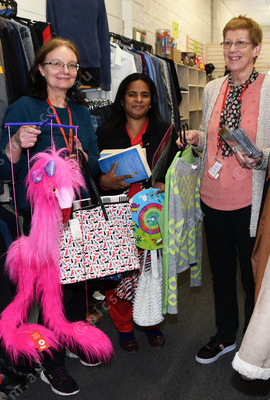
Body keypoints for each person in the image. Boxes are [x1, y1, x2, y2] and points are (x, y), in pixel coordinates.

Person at [177, 16, 270, 364]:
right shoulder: (213, 88)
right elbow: (209, 139)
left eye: (241, 43)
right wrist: (196, 139)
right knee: (222, 275)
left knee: (254, 277)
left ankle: (256, 342)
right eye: (227, 42)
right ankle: (225, 335)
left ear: (256, 49)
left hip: (250, 202)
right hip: (212, 198)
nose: (233, 49)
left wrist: (262, 157)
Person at [0, 37, 101, 396]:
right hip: (42, 218)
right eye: (56, 63)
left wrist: (83, 156)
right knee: (49, 291)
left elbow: (94, 166)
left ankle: (69, 340)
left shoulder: (80, 113)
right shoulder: (24, 107)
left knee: (75, 284)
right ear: (41, 69)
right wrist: (15, 143)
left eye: (71, 65)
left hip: (77, 212)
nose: (64, 71)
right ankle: (50, 362)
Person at [96, 73, 176, 352]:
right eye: (132, 94)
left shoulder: (166, 132)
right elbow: (93, 174)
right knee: (119, 274)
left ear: (152, 100)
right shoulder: (105, 133)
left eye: (144, 95)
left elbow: (173, 170)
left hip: (152, 216)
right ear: (122, 99)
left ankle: (151, 321)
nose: (138, 100)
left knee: (150, 272)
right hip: (116, 213)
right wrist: (104, 181)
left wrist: (164, 182)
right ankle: (124, 327)